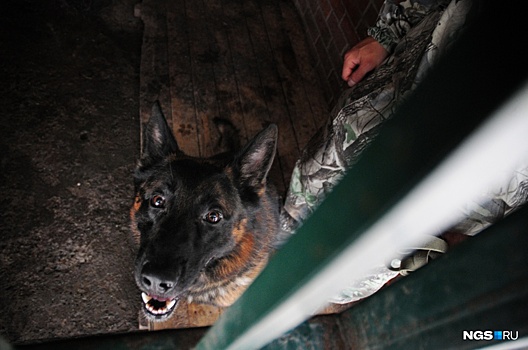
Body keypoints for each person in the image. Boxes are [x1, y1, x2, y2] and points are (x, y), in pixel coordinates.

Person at [278, 0, 524, 304]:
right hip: (388, 111)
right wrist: (388, 32)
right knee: (299, 209)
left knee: (340, 284)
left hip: (451, 222)